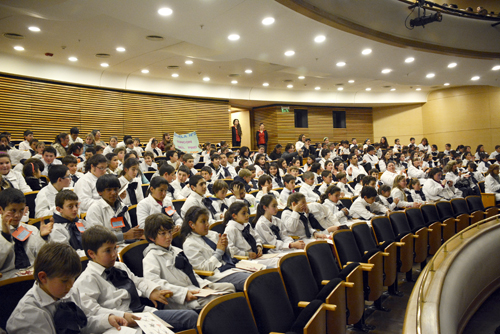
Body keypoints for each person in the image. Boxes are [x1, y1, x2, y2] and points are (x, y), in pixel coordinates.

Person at [75, 225, 199, 332]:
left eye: (115, 249)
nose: (114, 255)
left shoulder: (119, 266)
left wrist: (151, 291)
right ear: (92, 254)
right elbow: (92, 312)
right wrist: (122, 315)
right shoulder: (86, 280)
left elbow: (137, 281)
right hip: (119, 324)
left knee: (191, 317)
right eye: (108, 251)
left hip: (141, 313)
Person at [7, 242, 128, 334]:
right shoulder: (29, 314)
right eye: (65, 281)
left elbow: (81, 323)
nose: (71, 286)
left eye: (73, 279)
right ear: (43, 277)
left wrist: (107, 320)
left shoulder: (67, 292)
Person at [143, 212, 235, 311]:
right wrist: (183, 293)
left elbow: (191, 273)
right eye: (163, 234)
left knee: (229, 287)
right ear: (151, 237)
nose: (168, 236)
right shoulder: (150, 258)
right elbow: (155, 284)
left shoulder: (176, 250)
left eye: (170, 232)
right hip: (178, 298)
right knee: (217, 300)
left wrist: (204, 286)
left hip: (194, 288)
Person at [0, 188, 51, 272]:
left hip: (32, 275)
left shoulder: (30, 229)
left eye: (21, 210)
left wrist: (43, 238)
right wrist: (5, 236)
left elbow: (43, 257)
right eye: (13, 211)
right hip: (7, 279)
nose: (17, 215)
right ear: (1, 210)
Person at [86, 174, 143, 243]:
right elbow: (97, 237)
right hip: (106, 247)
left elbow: (128, 228)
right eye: (109, 190)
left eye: (116, 189)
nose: (113, 193)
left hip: (125, 244)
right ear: (99, 192)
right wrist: (124, 236)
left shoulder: (122, 206)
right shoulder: (95, 209)